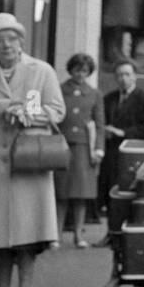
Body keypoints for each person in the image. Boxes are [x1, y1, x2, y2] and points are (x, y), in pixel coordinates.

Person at [0, 13, 66, 287]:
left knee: (26, 236)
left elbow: (56, 110)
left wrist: (28, 113)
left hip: (30, 161)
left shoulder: (40, 71)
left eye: (10, 39)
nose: (5, 45)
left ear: (20, 42)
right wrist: (6, 106)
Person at [54, 53, 105, 248]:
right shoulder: (59, 90)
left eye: (84, 71)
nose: (80, 74)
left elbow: (100, 124)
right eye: (77, 70)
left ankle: (78, 234)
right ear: (71, 70)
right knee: (61, 193)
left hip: (85, 148)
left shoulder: (94, 94)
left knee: (81, 194)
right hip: (62, 146)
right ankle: (56, 235)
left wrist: (99, 149)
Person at [97, 59, 144, 221]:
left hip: (133, 154)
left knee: (129, 193)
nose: (123, 78)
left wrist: (122, 132)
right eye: (119, 75)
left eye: (127, 74)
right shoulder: (109, 98)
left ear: (134, 77)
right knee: (111, 191)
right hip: (111, 153)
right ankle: (111, 232)